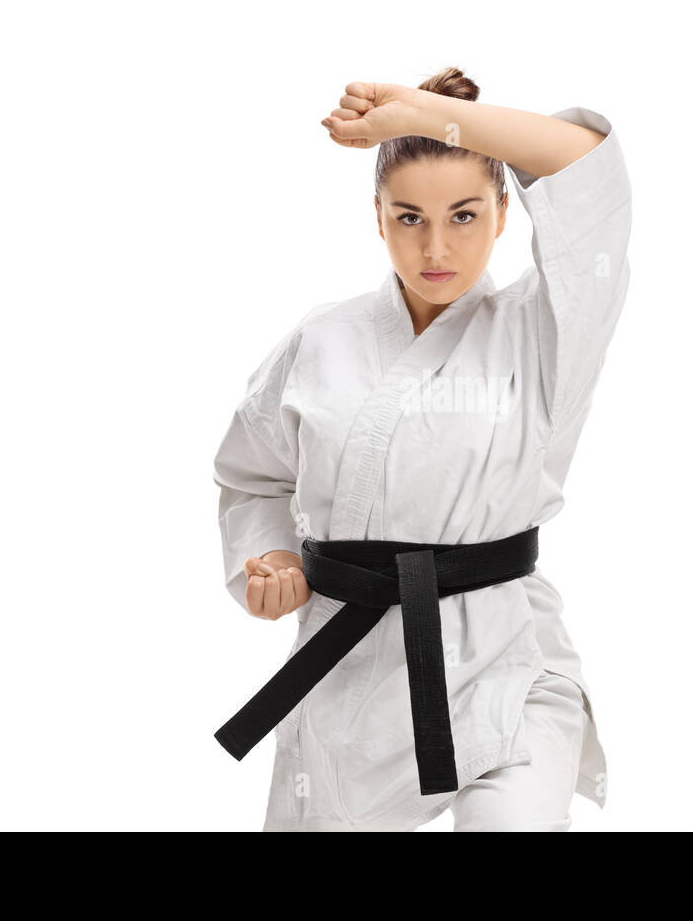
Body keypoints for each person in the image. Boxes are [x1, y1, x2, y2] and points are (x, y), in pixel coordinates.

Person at [213, 67, 632, 831]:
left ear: (505, 212)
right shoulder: (322, 341)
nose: (436, 246)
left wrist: (431, 114)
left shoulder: (545, 333)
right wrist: (270, 559)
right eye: (409, 217)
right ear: (378, 219)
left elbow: (583, 162)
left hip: (505, 661)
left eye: (465, 215)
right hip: (352, 671)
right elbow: (253, 479)